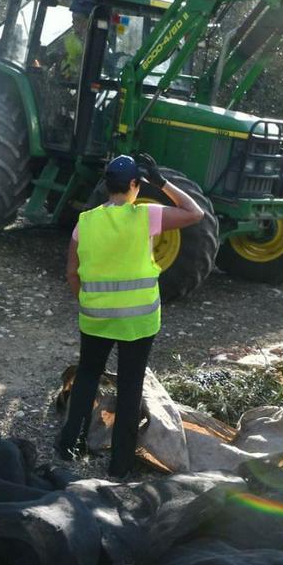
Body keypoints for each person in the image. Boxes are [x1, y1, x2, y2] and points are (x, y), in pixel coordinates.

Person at [56, 153, 205, 477]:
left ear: (107, 185)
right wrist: (163, 182)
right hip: (138, 321)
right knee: (130, 386)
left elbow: (71, 272)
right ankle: (120, 464)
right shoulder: (146, 216)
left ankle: (69, 446)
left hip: (95, 317)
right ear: (135, 185)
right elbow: (195, 213)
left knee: (87, 377)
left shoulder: (85, 222)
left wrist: (88, 301)